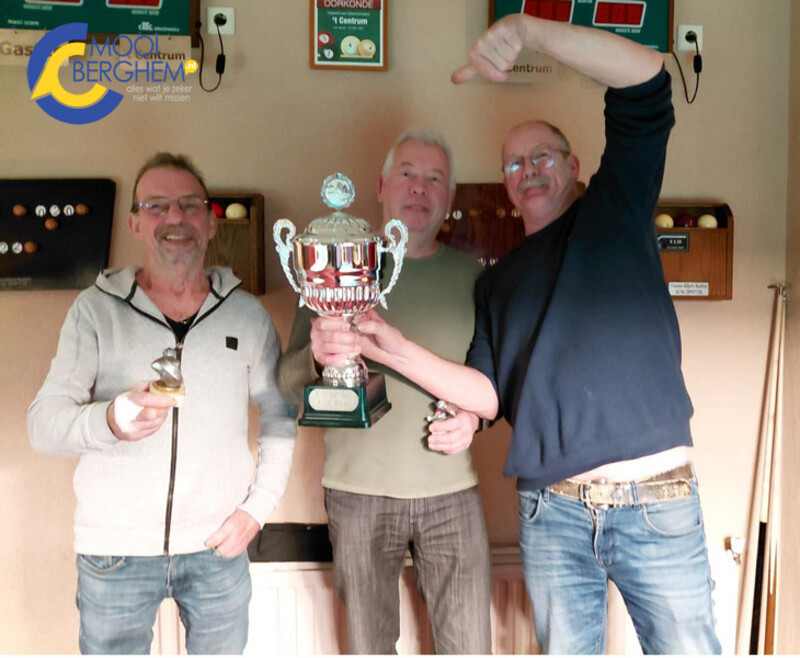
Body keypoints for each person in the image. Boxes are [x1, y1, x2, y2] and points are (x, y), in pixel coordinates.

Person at [311, 16, 723, 656]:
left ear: (574, 165)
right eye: (513, 163)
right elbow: (487, 394)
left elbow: (646, 78)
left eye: (542, 157)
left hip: (655, 498)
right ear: (504, 184)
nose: (528, 169)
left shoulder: (615, 210)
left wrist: (531, 31)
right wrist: (395, 348)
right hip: (552, 514)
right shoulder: (496, 283)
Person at [27, 153, 296, 655]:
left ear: (211, 223)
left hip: (218, 548)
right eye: (156, 205)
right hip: (114, 554)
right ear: (135, 223)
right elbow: (44, 425)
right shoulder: (95, 311)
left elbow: (280, 418)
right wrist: (111, 420)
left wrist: (257, 510)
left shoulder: (248, 316)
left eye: (190, 205)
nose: (175, 217)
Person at [277, 130, 492, 654]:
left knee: (470, 648)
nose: (420, 187)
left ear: (449, 196)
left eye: (435, 179)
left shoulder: (475, 277)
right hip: (357, 495)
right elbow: (285, 384)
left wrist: (474, 420)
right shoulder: (332, 266)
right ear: (381, 186)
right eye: (407, 174)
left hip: (451, 492)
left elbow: (492, 383)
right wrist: (317, 357)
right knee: (368, 648)